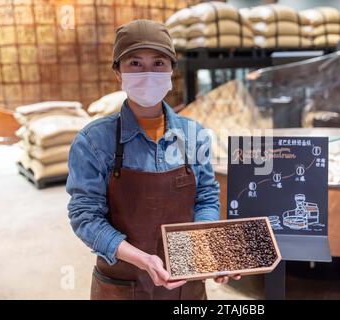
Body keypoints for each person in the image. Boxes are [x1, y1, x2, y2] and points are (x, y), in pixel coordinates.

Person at [66, 19, 239, 300]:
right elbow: (85, 217)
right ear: (117, 73)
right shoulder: (94, 141)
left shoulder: (193, 134)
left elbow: (206, 197)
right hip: (121, 284)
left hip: (187, 284)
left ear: (172, 70)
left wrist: (208, 249)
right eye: (135, 63)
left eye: (158, 63)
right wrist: (143, 259)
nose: (148, 73)